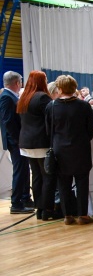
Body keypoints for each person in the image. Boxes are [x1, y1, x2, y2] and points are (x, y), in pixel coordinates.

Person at [45, 75, 93, 225]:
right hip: (80, 148)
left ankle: (67, 215)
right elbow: (90, 130)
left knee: (63, 183)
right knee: (82, 182)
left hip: (60, 149)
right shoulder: (84, 106)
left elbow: (48, 131)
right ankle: (83, 215)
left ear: (59, 89)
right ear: (74, 88)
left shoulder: (51, 106)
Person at [16, 71, 62, 220]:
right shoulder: (42, 97)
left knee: (36, 176)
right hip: (40, 142)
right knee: (48, 176)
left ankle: (40, 209)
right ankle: (47, 209)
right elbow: (52, 118)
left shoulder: (24, 97)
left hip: (26, 142)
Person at [1, 71, 33, 214]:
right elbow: (8, 121)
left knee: (24, 170)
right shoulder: (6, 97)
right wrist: (18, 140)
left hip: (18, 140)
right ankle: (16, 202)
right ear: (17, 83)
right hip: (15, 141)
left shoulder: (10, 96)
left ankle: (25, 198)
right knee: (20, 171)